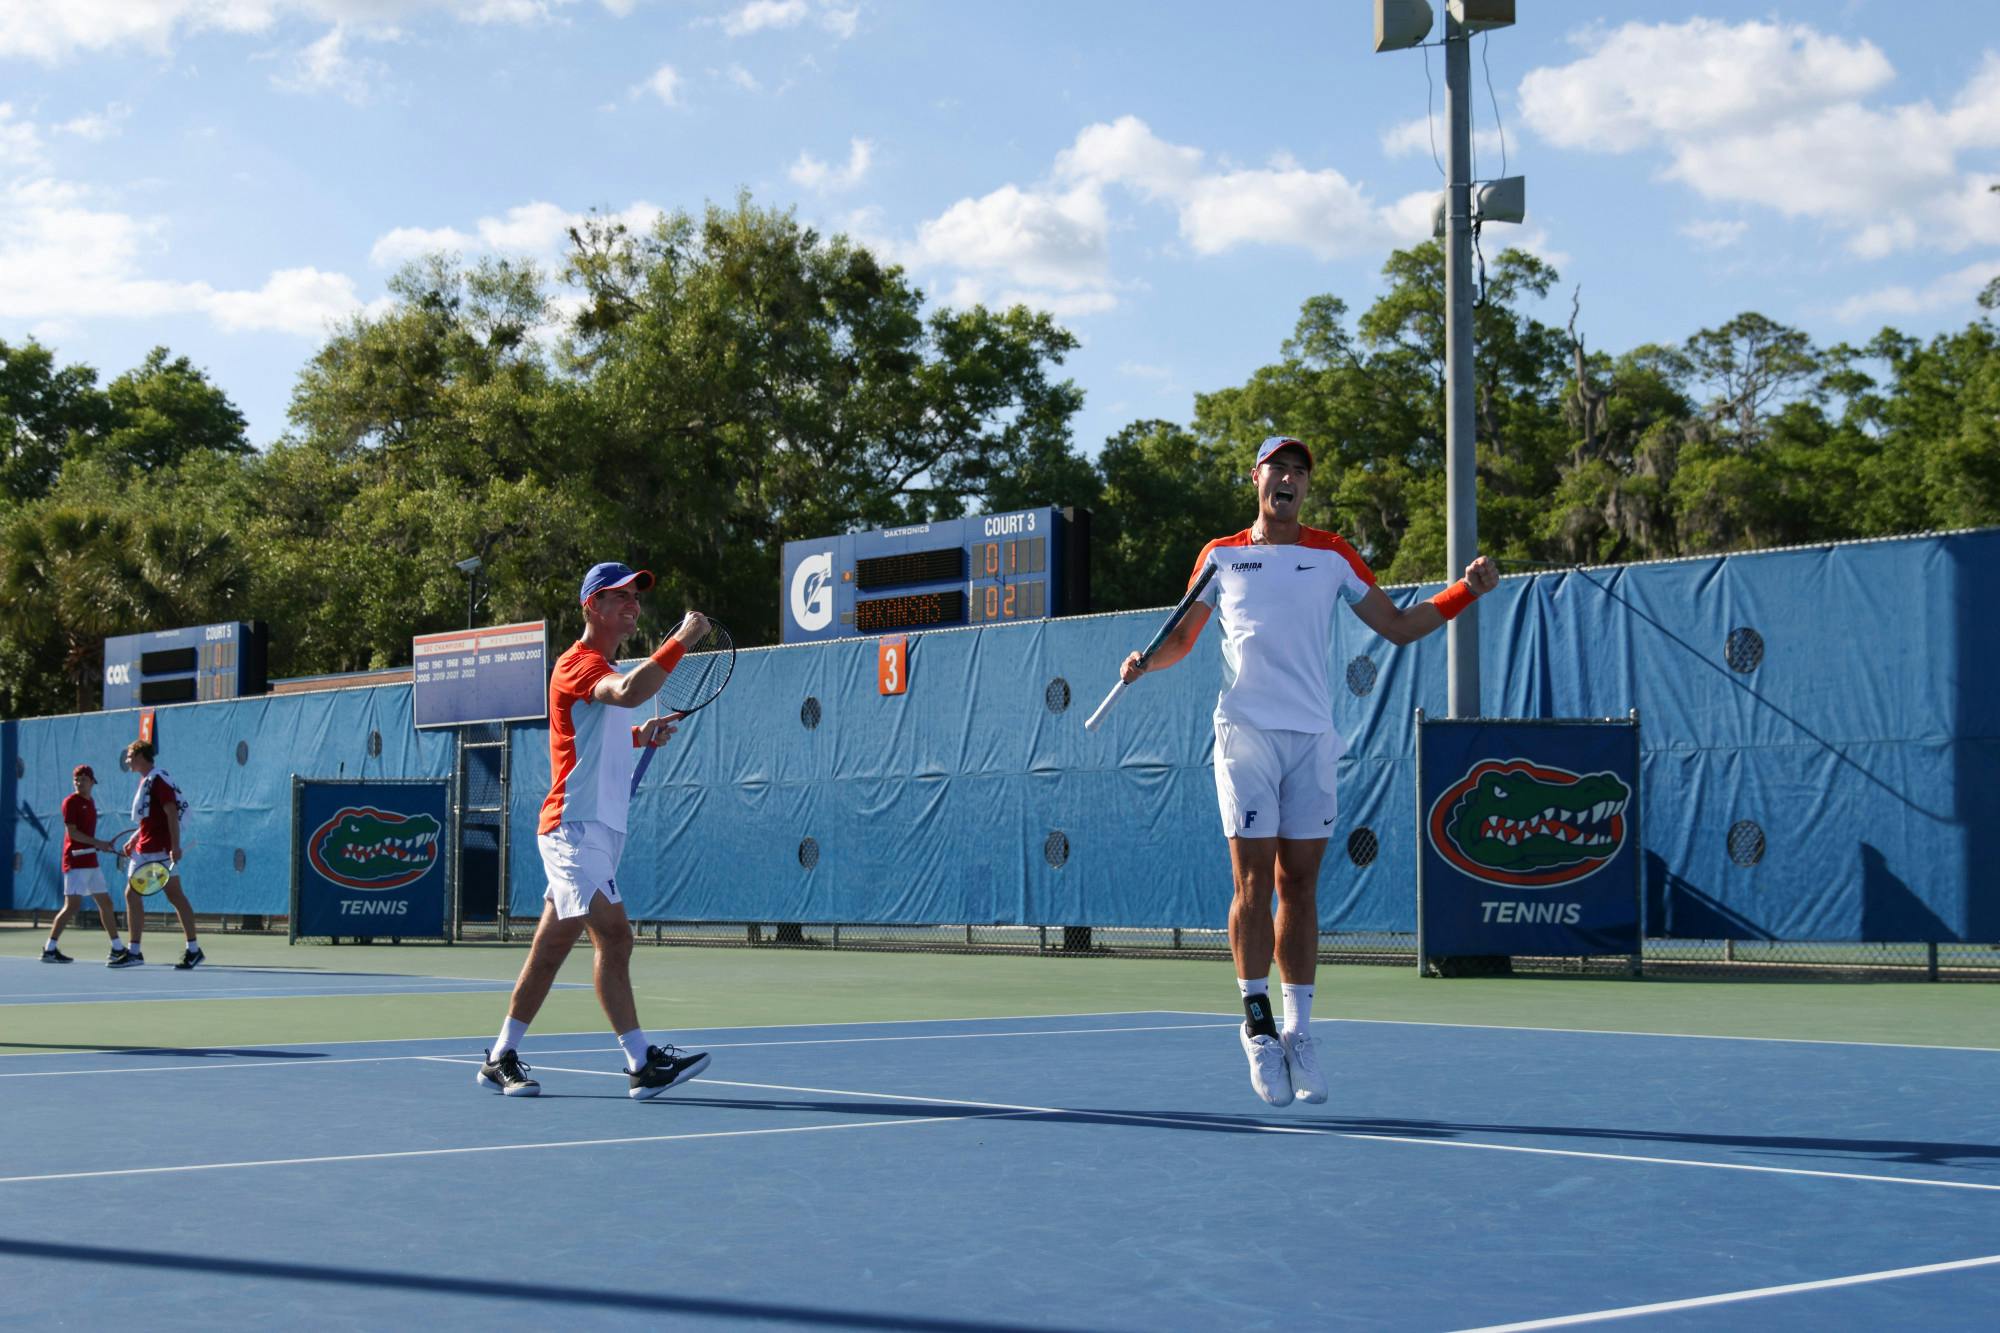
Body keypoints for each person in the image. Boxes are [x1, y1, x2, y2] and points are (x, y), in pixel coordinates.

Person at [1119, 436, 1497, 1108]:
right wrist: (1146, 662)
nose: (1289, 479)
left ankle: (1298, 1033)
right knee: (1253, 880)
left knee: (1300, 882)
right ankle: (1258, 1025)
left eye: (1300, 471)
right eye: (1278, 468)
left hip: (1312, 738)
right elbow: (1181, 637)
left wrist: (1464, 591)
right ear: (1256, 477)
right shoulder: (1221, 555)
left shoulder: (1334, 554)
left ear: (1305, 487)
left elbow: (1399, 626)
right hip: (1244, 736)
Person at [477, 561, 714, 1099]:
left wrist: (640, 736)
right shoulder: (577, 665)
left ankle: (499, 1055)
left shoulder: (604, 667)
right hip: (574, 828)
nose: (632, 603)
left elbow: (596, 734)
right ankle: (640, 1063)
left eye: (636, 596)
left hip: (599, 829)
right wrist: (681, 639)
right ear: (591, 607)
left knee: (551, 949)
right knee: (615, 935)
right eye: (618, 596)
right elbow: (630, 691)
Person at [115, 740, 203, 970]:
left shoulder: (158, 780)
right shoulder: (146, 781)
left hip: (161, 849)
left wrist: (175, 846)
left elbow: (171, 813)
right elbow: (150, 819)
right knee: (132, 895)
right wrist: (134, 839)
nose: (127, 760)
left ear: (141, 756)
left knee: (175, 896)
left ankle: (193, 950)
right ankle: (134, 951)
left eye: (130, 756)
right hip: (144, 847)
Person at [43, 764, 127, 965]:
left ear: (92, 782)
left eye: (84, 779)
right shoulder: (70, 802)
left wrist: (98, 846)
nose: (79, 783)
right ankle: (49, 949)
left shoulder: (90, 803)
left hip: (91, 862)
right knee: (72, 906)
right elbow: (72, 833)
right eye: (77, 779)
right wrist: (99, 843)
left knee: (106, 903)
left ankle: (116, 948)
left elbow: (86, 836)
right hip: (75, 862)